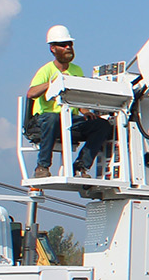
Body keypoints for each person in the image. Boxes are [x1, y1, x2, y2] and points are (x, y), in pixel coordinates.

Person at [26, 25, 113, 177]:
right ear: (53, 48)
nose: (68, 47)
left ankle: (81, 167)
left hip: (70, 119)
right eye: (63, 45)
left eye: (70, 44)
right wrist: (51, 84)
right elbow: (31, 93)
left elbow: (80, 97)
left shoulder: (76, 70)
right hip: (46, 119)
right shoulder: (46, 70)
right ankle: (42, 166)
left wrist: (85, 111)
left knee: (102, 125)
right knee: (52, 118)